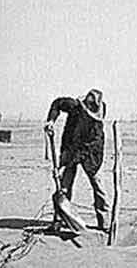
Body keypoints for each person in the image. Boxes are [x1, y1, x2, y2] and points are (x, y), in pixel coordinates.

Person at [44, 89, 109, 231]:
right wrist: (51, 121)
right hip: (71, 149)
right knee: (64, 187)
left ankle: (105, 224)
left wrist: (79, 158)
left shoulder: (97, 123)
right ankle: (59, 220)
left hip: (91, 154)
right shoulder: (74, 106)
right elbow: (57, 104)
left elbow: (96, 143)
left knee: (99, 187)